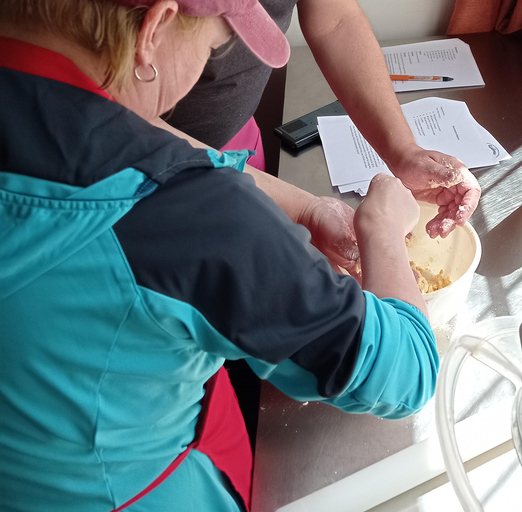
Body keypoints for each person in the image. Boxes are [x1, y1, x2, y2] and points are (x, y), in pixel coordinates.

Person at [0, 1, 438, 511]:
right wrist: (381, 228)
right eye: (212, 47)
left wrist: (305, 207)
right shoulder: (190, 219)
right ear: (155, 27)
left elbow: (136, 133)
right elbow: (405, 370)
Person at [164, 0, 482, 241]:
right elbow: (143, 138)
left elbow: (336, 19)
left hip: (235, 145)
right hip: (148, 170)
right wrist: (306, 211)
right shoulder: (125, 121)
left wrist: (403, 150)